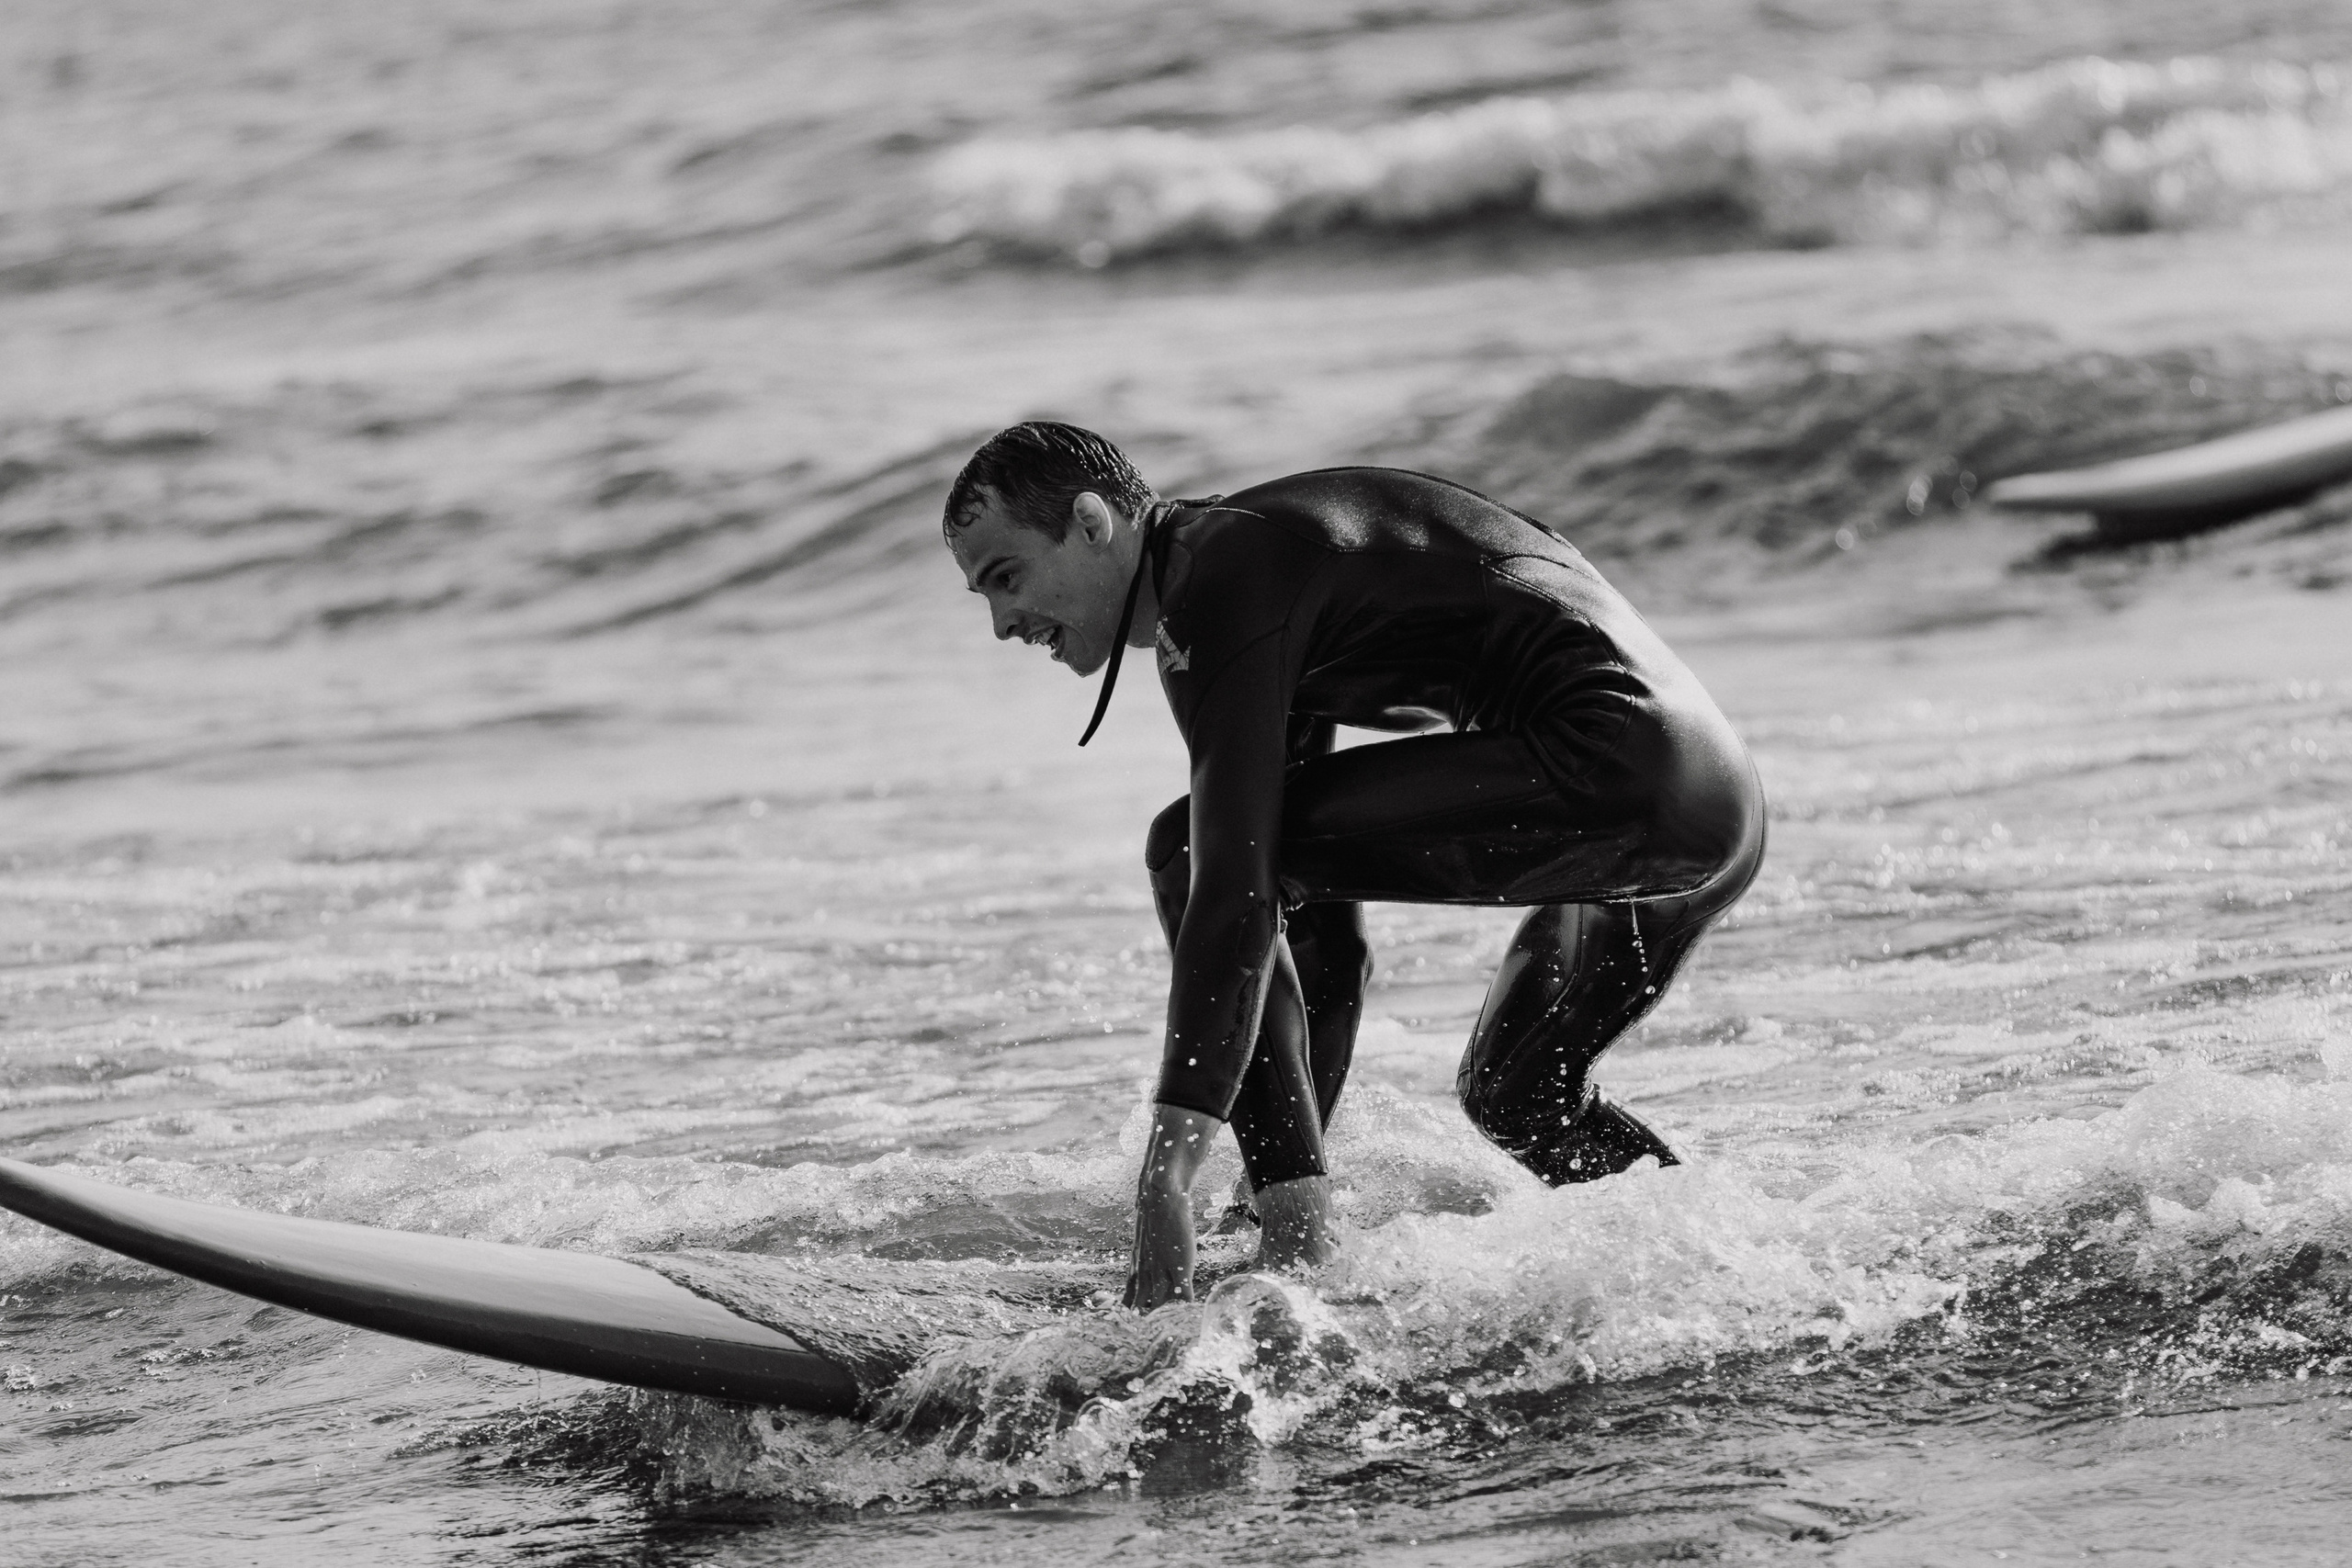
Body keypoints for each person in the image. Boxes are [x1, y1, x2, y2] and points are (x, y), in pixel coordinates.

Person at [943, 422, 1764, 1312]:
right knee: (1516, 1093)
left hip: (1622, 766)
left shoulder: (1218, 586)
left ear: (1093, 523)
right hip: (1709, 802)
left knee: (1188, 850)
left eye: (1005, 577)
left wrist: (1168, 1175)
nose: (999, 625)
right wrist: (1284, 1180)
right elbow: (1320, 945)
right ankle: (1727, 1282)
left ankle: (1295, 1242)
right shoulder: (1254, 578)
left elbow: (1233, 888)